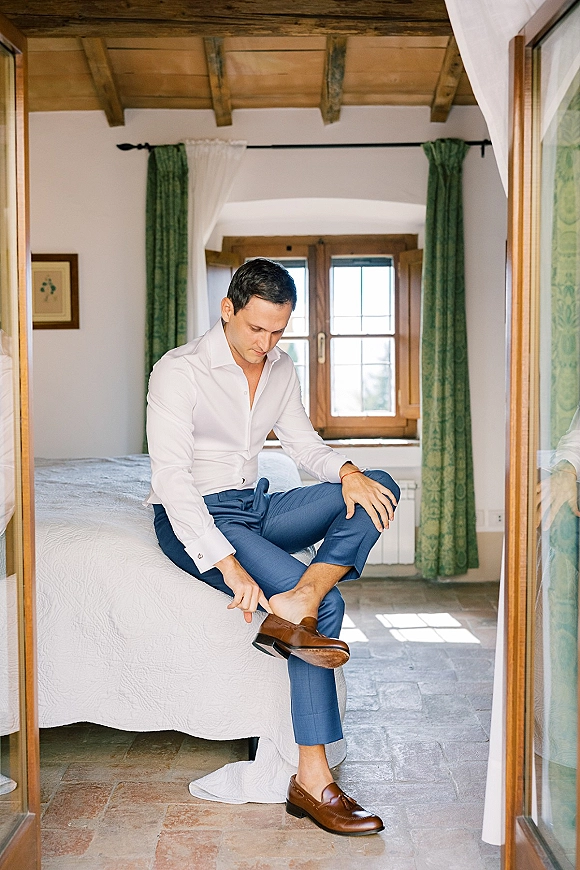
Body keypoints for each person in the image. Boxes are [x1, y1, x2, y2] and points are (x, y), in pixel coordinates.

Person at [146, 258, 399, 836]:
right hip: (195, 518)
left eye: (278, 331)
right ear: (227, 310)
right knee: (326, 611)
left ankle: (302, 594)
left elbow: (306, 449)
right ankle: (313, 781)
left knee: (378, 486)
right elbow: (172, 482)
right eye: (256, 329)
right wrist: (228, 564)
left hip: (255, 506)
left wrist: (349, 470)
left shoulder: (282, 368)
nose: (266, 343)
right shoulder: (179, 371)